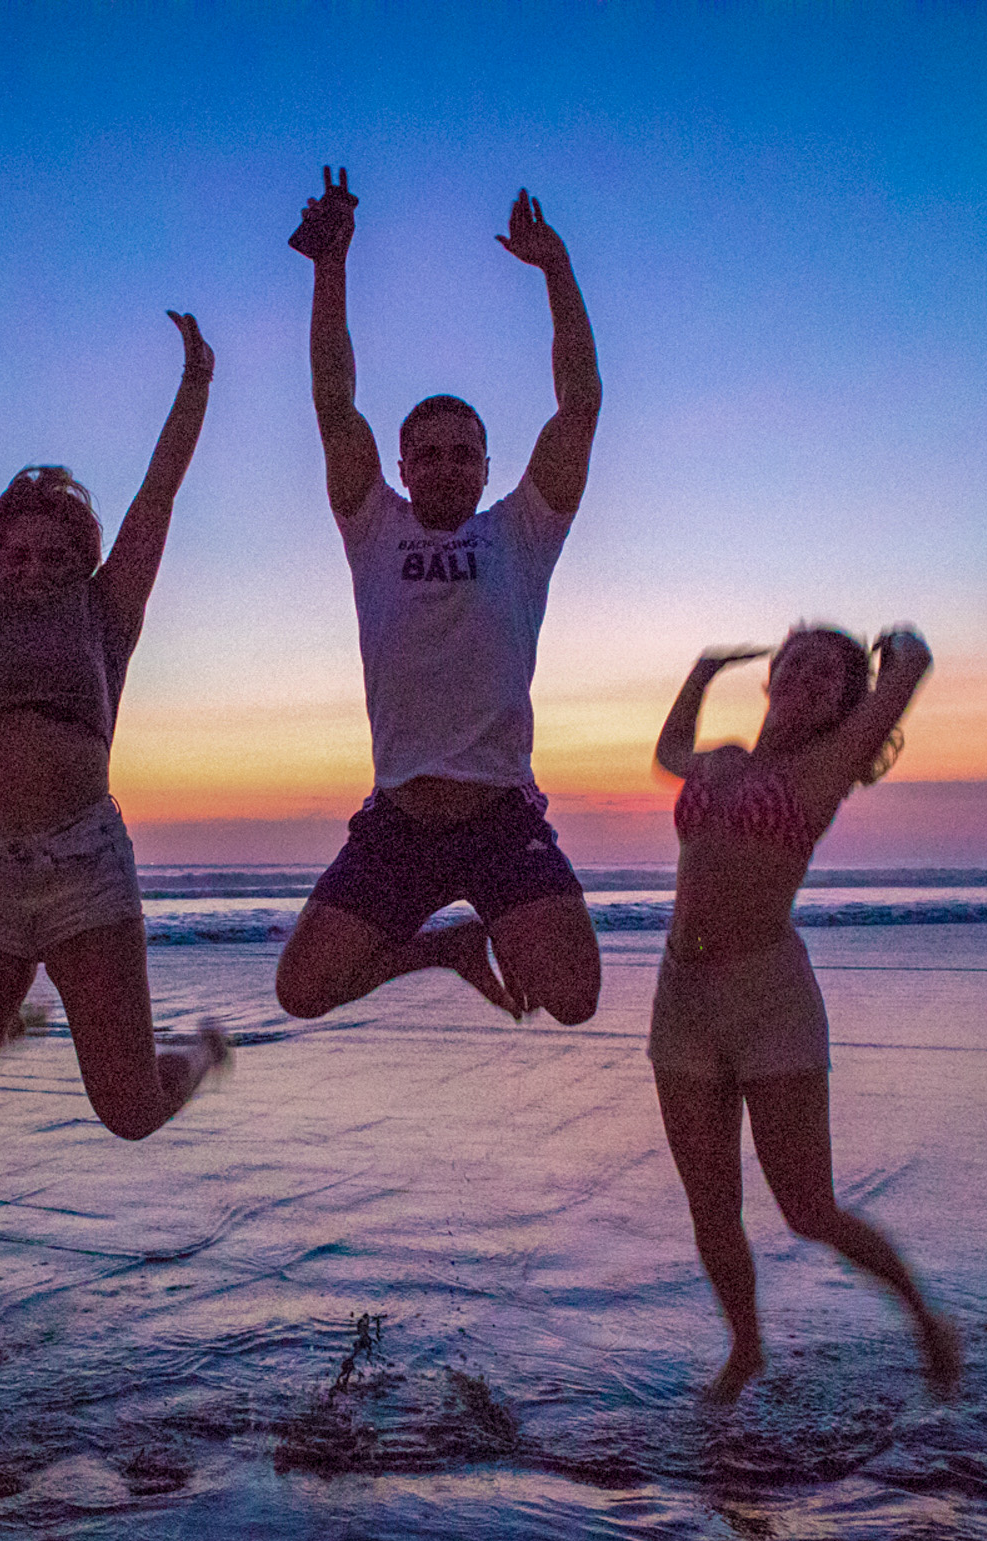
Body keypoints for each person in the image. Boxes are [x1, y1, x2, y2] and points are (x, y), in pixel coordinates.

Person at [0, 297, 227, 1139]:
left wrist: (196, 384)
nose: (32, 568)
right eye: (17, 552)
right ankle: (9, 1016)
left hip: (84, 870)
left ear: (86, 559)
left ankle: (202, 1056)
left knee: (131, 1111)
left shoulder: (107, 613)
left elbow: (159, 493)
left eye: (55, 554)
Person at [275, 168, 603, 1025]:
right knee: (301, 991)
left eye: (466, 453)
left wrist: (556, 270)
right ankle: (445, 949)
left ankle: (484, 920)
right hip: (400, 822)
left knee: (572, 999)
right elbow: (333, 398)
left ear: (488, 467)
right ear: (404, 463)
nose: (448, 465)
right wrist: (330, 265)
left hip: (500, 817)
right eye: (430, 453)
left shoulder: (521, 531)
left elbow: (580, 404)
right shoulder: (373, 524)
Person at [651, 627, 962, 1402]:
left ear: (845, 702)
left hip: (771, 1002)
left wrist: (899, 646)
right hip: (681, 999)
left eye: (831, 672)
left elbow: (910, 672)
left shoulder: (831, 764)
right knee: (712, 1206)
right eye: (799, 661)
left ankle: (925, 1320)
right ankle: (746, 1350)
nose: (809, 676)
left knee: (808, 1210)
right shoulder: (722, 759)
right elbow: (668, 754)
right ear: (773, 675)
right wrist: (701, 668)